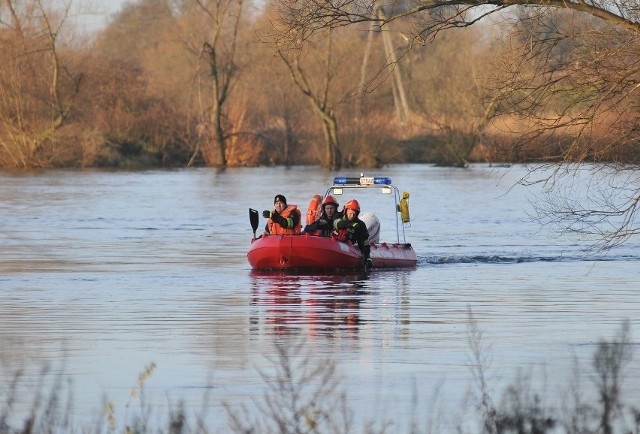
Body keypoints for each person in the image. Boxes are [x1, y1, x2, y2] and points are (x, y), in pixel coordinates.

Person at [333, 199, 372, 270]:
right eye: (350, 213)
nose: (352, 216)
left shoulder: (360, 225)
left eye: (354, 214)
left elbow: (365, 242)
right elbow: (337, 224)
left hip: (349, 244)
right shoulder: (338, 216)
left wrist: (367, 258)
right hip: (333, 241)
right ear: (346, 211)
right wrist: (351, 224)